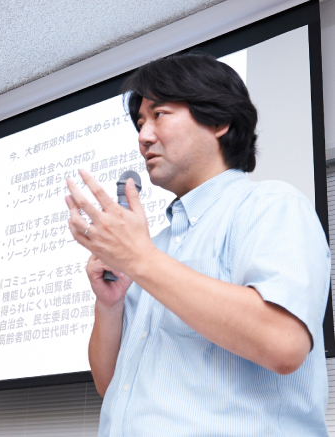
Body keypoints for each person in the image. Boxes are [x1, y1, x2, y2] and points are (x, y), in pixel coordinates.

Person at [65, 52, 331, 436]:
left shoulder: (271, 205)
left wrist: (140, 260)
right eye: (140, 123)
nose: (143, 137)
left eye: (159, 115)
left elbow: (284, 343)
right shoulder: (154, 247)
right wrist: (110, 305)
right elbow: (111, 387)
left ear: (219, 121)